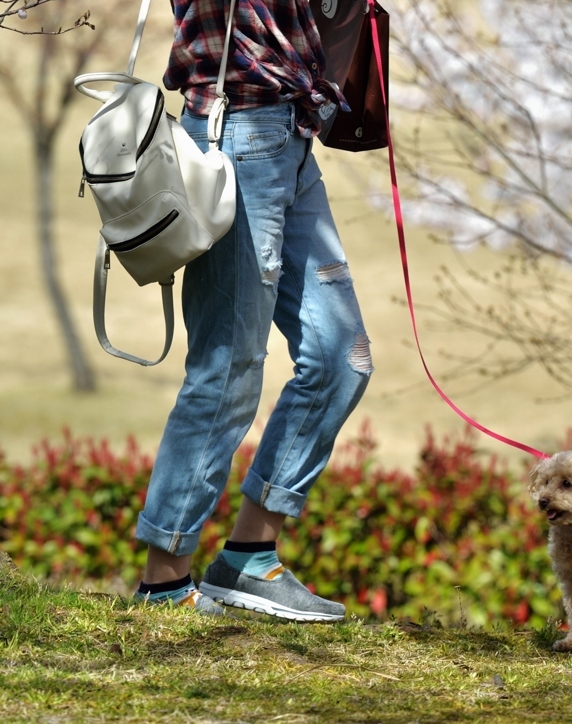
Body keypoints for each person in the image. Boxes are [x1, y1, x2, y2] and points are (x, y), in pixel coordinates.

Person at [133, 0, 373, 620]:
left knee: (340, 358)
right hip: (234, 133)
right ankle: (163, 582)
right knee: (227, 371)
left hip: (288, 134)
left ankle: (248, 558)